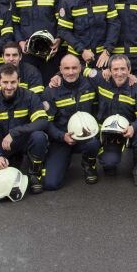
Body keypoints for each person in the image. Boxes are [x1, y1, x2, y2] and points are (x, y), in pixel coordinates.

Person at [0, 63, 49, 193]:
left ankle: (34, 174)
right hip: (3, 144)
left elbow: (42, 122)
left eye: (13, 82)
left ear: (19, 81)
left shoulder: (30, 97)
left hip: (24, 141)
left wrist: (14, 133)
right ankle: (12, 160)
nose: (9, 87)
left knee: (39, 137)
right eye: (5, 82)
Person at [89, 54, 137, 187]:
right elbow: (78, 69)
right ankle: (108, 157)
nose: (119, 73)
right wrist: (58, 76)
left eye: (123, 69)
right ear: (110, 71)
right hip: (109, 135)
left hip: (129, 131)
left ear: (129, 70)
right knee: (109, 163)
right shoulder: (101, 80)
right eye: (115, 69)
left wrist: (133, 127)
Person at [41, 54, 99, 189]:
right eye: (66, 68)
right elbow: (46, 123)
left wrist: (131, 76)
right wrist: (62, 136)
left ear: (80, 68)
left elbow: (111, 78)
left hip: (87, 136)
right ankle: (63, 161)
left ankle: (88, 163)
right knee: (51, 184)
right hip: (62, 139)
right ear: (60, 70)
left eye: (74, 68)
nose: (71, 72)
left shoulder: (90, 85)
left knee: (94, 143)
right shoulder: (51, 91)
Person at [57, 0, 119, 71]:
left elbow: (114, 25)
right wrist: (82, 50)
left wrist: (107, 51)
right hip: (77, 58)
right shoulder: (68, 1)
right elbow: (64, 30)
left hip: (101, 57)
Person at [11, 0, 62, 77]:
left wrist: (58, 40)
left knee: (49, 85)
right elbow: (15, 23)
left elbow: (62, 22)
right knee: (30, 85)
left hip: (49, 51)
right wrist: (21, 41)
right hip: (28, 52)